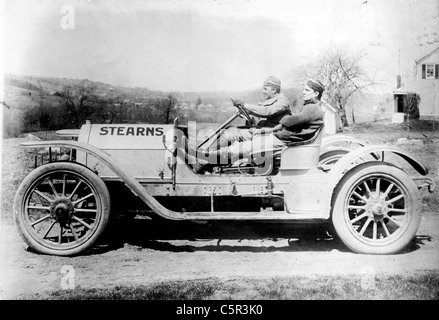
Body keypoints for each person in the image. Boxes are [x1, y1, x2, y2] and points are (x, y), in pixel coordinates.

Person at [181, 79, 325, 174]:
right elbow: (285, 126)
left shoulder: (313, 109)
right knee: (239, 144)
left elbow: (289, 121)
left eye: (307, 90)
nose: (303, 92)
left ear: (316, 93)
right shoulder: (310, 108)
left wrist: (282, 122)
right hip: (279, 139)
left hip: (283, 143)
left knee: (242, 148)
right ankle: (203, 160)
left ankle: (202, 157)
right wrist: (263, 130)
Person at [206, 76, 291, 150]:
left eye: (265, 89)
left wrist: (246, 106)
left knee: (230, 134)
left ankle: (208, 156)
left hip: (271, 135)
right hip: (264, 132)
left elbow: (267, 111)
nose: (263, 91)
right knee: (229, 129)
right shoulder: (271, 101)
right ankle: (211, 155)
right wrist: (248, 114)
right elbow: (261, 113)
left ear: (274, 90)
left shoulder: (282, 101)